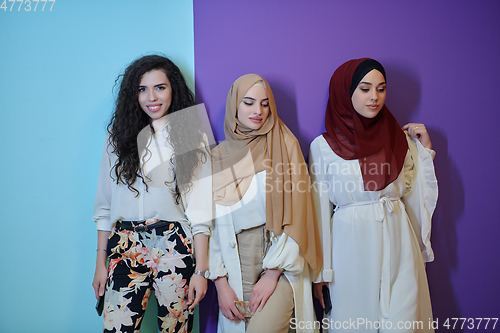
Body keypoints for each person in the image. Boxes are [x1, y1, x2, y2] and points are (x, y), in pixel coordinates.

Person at [310, 58, 438, 333]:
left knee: (404, 323)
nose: (374, 97)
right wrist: (322, 272)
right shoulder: (322, 147)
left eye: (381, 89)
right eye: (365, 88)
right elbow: (319, 210)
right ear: (347, 92)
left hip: (399, 239)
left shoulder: (398, 138)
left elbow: (413, 191)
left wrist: (425, 151)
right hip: (350, 247)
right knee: (356, 324)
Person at [91, 55, 212, 333]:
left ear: (174, 90)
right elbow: (104, 207)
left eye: (160, 87)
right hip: (123, 244)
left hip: (174, 244)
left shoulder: (194, 136)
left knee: (175, 330)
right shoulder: (116, 136)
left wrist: (201, 272)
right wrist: (101, 264)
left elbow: (202, 211)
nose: (151, 97)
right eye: (142, 89)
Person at [209, 74, 323, 333]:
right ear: (235, 105)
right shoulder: (217, 157)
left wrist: (272, 273)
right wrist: (220, 283)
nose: (258, 111)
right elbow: (210, 225)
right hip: (235, 260)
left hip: (280, 260)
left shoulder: (285, 145)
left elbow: (298, 212)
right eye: (248, 103)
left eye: (264, 103)